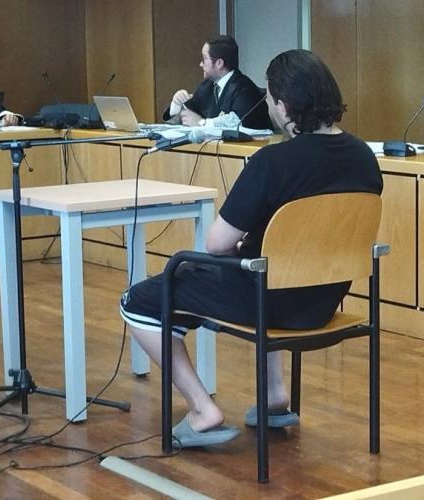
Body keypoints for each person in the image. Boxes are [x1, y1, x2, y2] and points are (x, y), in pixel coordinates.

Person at [121, 49, 383, 447]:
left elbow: (216, 243)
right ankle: (274, 396)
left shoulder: (272, 161)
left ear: (283, 105)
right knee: (264, 264)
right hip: (324, 302)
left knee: (140, 302)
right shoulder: (365, 158)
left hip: (268, 302)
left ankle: (203, 410)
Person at [163, 35, 272, 130]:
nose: (200, 64)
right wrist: (177, 105)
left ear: (219, 63)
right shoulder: (206, 86)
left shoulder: (245, 89)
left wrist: (202, 123)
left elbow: (237, 122)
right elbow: (187, 117)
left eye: (204, 59)